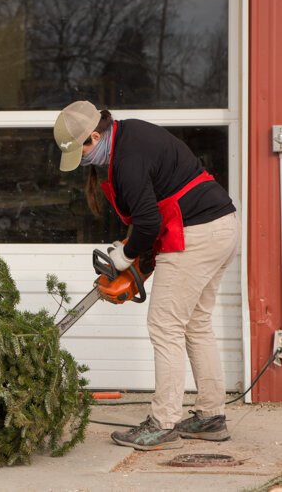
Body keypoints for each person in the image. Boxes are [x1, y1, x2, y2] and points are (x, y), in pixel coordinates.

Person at [54, 101, 239, 451]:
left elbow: (150, 222)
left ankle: (163, 424)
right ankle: (211, 417)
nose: (84, 159)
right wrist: (142, 257)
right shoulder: (129, 136)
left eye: (83, 150)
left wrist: (125, 256)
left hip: (196, 232)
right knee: (196, 323)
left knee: (164, 326)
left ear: (95, 135)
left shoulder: (127, 159)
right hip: (221, 226)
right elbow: (154, 211)